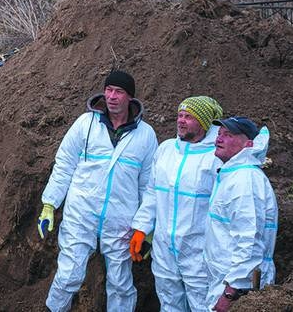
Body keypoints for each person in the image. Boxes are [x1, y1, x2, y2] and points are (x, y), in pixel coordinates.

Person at [39, 70, 158, 312]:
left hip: (121, 219)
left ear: (130, 98)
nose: (112, 96)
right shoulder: (85, 124)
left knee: (121, 283)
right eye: (109, 90)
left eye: (119, 92)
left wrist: (145, 229)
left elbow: (149, 185)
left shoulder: (145, 135)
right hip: (81, 213)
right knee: (69, 275)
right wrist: (50, 204)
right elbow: (64, 165)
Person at [129, 96, 224, 312]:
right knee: (169, 304)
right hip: (164, 249)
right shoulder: (166, 150)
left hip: (198, 252)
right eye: (180, 115)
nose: (181, 120)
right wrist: (142, 229)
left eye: (189, 117)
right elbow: (152, 193)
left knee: (202, 305)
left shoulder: (215, 158)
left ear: (204, 122)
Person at [202, 116, 278, 311]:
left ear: (249, 144)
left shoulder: (245, 181)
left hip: (239, 288)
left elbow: (249, 241)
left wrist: (231, 292)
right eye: (219, 134)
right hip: (225, 279)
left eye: (228, 135)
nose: (219, 139)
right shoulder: (232, 175)